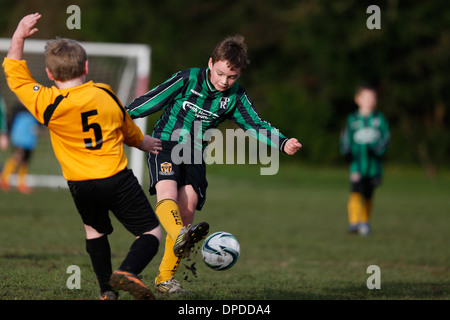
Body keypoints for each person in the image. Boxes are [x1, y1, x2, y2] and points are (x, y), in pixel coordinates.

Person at [2, 13, 166, 300]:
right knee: (152, 232)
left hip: (80, 184)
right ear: (87, 66)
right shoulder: (105, 93)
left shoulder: (47, 103)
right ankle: (128, 270)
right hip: (116, 177)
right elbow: (127, 129)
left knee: (94, 231)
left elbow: (15, 75)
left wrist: (19, 37)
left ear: (50, 75)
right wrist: (144, 142)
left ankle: (106, 292)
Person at [126, 34, 302, 294]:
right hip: (164, 143)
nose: (224, 81)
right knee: (167, 193)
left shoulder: (235, 96)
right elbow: (152, 100)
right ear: (211, 63)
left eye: (232, 77)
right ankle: (180, 238)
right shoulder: (187, 79)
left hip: (195, 153)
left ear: (239, 74)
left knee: (188, 210)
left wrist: (282, 142)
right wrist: (119, 115)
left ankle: (164, 279)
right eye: (220, 73)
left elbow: (254, 124)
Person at [340, 84, 390, 235]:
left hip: (374, 165)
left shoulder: (379, 119)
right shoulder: (352, 119)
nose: (369, 101)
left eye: (372, 98)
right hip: (357, 164)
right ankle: (354, 222)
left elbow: (386, 138)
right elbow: (345, 138)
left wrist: (377, 150)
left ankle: (365, 221)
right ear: (358, 99)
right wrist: (347, 153)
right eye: (366, 97)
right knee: (355, 190)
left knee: (368, 192)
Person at [1, 103, 39, 194]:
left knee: (25, 161)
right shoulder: (18, 109)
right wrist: (7, 135)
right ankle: (4, 179)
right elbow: (10, 123)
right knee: (17, 157)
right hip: (19, 138)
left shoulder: (35, 107)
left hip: (29, 138)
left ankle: (21, 183)